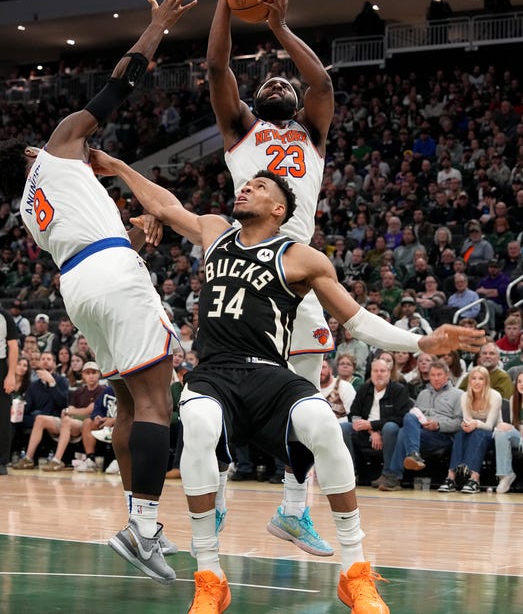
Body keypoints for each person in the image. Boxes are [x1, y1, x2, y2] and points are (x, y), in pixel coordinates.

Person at [91, 151, 485, 613]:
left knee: (323, 423)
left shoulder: (300, 257)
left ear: (279, 209)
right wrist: (116, 166)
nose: (245, 188)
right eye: (246, 185)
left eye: (258, 187)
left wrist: (421, 344)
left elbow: (355, 322)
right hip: (215, 370)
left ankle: (355, 571)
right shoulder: (216, 232)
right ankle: (210, 576)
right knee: (197, 423)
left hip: (269, 372)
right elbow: (164, 205)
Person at [0, 0, 197, 584]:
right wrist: (158, 25)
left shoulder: (31, 209)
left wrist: (139, 235)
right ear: (34, 150)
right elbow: (117, 87)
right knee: (159, 399)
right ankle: (143, 527)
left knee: (135, 400)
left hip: (81, 285)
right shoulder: (57, 147)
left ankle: (137, 524)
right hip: (109, 274)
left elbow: (94, 243)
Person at [206, 0, 336, 555]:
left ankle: (292, 508)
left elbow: (323, 85)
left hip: (296, 275)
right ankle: (216, 484)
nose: (282, 82)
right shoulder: (240, 132)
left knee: (307, 402)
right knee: (223, 387)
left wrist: (281, 28)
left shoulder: (311, 129)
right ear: (257, 102)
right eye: (272, 84)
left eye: (287, 82)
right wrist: (227, 8)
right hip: (243, 272)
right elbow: (215, 67)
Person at [379, 360, 463, 491]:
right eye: (433, 375)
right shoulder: (423, 394)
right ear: (429, 376)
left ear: (447, 376)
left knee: (403, 433)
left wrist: (438, 425)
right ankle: (413, 454)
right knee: (409, 417)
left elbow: (459, 423)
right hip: (421, 433)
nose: (436, 378)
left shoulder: (459, 395)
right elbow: (415, 415)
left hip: (442, 435)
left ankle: (395, 476)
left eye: (439, 375)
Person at [15, 361, 104, 472]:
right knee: (40, 419)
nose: (91, 375)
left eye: (94, 372)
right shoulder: (78, 392)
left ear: (99, 374)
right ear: (83, 375)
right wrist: (76, 411)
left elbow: (89, 410)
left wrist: (75, 411)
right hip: (70, 422)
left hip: (87, 424)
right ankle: (28, 458)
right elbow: (69, 409)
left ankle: (57, 460)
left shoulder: (102, 390)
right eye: (88, 373)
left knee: (67, 420)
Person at [346, 358, 411, 489]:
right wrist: (370, 430)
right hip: (366, 432)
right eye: (375, 371)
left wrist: (373, 425)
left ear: (389, 373)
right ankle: (349, 473)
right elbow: (353, 414)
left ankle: (388, 474)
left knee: (390, 427)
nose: (379, 374)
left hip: (388, 432)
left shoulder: (399, 390)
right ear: (371, 373)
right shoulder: (364, 388)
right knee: (343, 428)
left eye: (382, 371)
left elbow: (400, 418)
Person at [438, 366, 502, 494]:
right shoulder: (465, 396)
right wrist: (465, 425)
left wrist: (475, 423)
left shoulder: (495, 396)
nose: (477, 382)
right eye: (473, 378)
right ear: (469, 381)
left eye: (481, 379)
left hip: (493, 434)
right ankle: (451, 477)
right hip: (473, 432)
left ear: (486, 381)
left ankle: (474, 479)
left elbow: (489, 425)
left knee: (478, 433)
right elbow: (467, 420)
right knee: (460, 434)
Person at [75, 381, 117, 473]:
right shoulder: (107, 391)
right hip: (104, 423)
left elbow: (133, 414)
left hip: (121, 423)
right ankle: (90, 459)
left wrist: (114, 420)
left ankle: (117, 461)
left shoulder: (131, 391)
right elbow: (97, 408)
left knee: (124, 425)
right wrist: (97, 417)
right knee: (87, 422)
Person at [493, 371, 523, 494]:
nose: (521, 384)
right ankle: (505, 475)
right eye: (519, 382)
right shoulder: (513, 400)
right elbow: (514, 424)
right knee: (501, 432)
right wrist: (507, 426)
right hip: (519, 436)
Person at [0, 305, 19, 475]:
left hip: (1, 368)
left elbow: (13, 346)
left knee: (3, 417)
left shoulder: (5, 317)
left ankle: (1, 462)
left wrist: (11, 374)